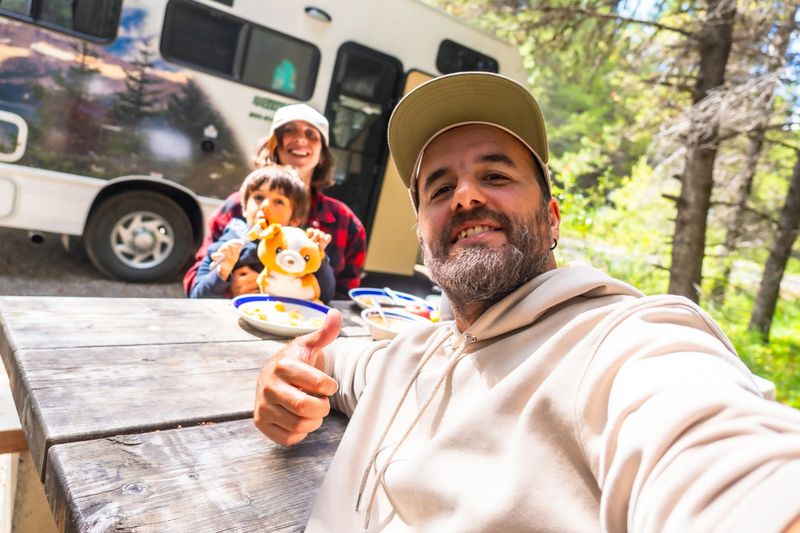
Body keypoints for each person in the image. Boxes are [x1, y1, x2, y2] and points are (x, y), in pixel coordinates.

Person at [253, 72, 800, 532]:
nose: (466, 195)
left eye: (495, 175)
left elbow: (722, 458)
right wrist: (286, 370)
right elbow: (332, 362)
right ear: (423, 233)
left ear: (553, 217)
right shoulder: (410, 354)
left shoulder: (623, 346)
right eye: (440, 189)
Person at [183, 103, 366, 299]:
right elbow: (196, 281)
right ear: (274, 146)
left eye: (311, 134)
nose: (300, 139)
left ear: (322, 156)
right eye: (289, 130)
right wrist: (228, 284)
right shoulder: (235, 207)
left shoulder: (346, 222)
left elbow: (344, 298)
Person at [189, 165, 335, 302]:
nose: (265, 206)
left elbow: (326, 295)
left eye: (279, 201)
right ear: (245, 208)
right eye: (259, 197)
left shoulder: (300, 250)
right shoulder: (226, 246)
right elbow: (196, 297)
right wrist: (222, 272)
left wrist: (319, 257)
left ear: (295, 220)